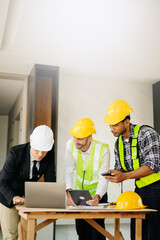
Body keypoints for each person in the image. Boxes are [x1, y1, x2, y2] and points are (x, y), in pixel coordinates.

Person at [103, 99, 160, 240]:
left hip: (157, 189)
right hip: (139, 190)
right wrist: (116, 174)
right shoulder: (119, 143)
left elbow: (153, 165)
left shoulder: (147, 134)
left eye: (115, 124)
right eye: (110, 124)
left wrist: (125, 176)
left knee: (154, 233)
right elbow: (121, 168)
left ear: (127, 122)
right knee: (137, 232)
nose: (111, 128)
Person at [0, 125, 56, 240]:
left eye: (44, 151)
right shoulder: (16, 153)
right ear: (31, 142)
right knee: (11, 236)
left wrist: (50, 199)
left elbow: (51, 180)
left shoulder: (49, 154)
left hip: (28, 196)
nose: (40, 154)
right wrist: (13, 197)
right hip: (8, 194)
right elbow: (2, 181)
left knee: (29, 234)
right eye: (37, 150)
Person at [65, 118, 110, 240]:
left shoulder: (103, 150)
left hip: (97, 196)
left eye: (79, 138)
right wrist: (68, 192)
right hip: (78, 196)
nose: (75, 141)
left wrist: (98, 196)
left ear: (90, 138)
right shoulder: (70, 145)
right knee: (82, 233)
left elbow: (104, 178)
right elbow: (68, 171)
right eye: (74, 137)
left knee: (98, 234)